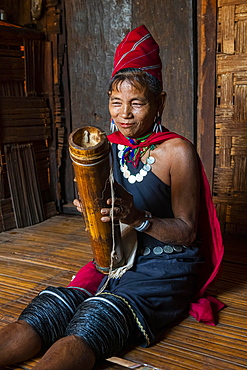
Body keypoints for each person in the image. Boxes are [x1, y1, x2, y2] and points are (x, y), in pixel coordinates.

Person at [0, 25, 224, 370]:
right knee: (49, 310)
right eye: (116, 102)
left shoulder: (177, 152)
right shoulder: (104, 147)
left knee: (92, 321)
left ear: (159, 102)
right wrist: (90, 210)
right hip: (116, 259)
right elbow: (103, 213)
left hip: (165, 266)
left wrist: (136, 217)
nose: (125, 113)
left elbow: (187, 233)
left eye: (137, 102)